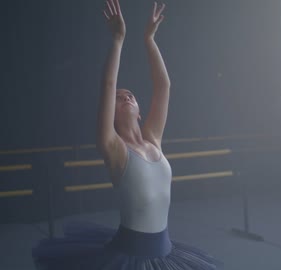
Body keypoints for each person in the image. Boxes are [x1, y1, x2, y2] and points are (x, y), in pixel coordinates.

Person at [32, 1, 219, 269]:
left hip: (166, 253)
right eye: (119, 98)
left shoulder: (153, 139)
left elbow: (163, 86)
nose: (126, 96)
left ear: (141, 112)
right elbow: (108, 84)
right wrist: (118, 40)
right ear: (111, 111)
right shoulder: (114, 148)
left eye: (130, 95)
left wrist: (149, 39)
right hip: (129, 257)